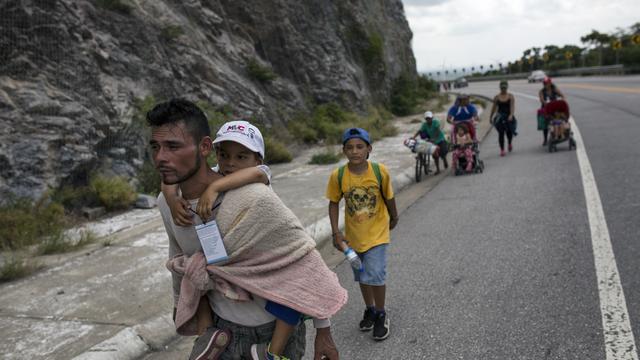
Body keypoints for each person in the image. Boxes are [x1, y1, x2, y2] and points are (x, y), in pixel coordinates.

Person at [148, 99, 345, 360]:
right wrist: (178, 304)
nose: (161, 157)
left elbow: (303, 264)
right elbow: (178, 257)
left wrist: (323, 331)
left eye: (173, 146)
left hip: (269, 329)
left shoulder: (256, 198)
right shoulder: (168, 203)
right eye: (155, 147)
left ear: (204, 147)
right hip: (221, 334)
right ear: (216, 152)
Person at [326, 128, 399, 342]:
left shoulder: (379, 171)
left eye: (359, 147)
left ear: (369, 149)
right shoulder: (338, 176)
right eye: (349, 147)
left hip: (377, 234)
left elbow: (389, 196)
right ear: (344, 151)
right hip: (353, 239)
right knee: (362, 277)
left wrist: (394, 217)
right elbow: (333, 203)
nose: (355, 151)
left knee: (375, 275)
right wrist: (336, 233)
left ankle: (382, 313)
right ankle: (370, 309)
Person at [489, 80, 516, 157]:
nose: (503, 89)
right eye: (502, 88)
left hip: (508, 117)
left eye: (504, 88)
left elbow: (512, 107)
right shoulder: (497, 97)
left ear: (507, 87)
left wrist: (511, 115)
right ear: (500, 88)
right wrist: (490, 117)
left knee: (509, 133)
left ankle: (509, 143)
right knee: (501, 133)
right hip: (500, 117)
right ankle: (502, 150)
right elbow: (493, 108)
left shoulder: (510, 96)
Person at [538, 77, 565, 146]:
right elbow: (542, 100)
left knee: (559, 121)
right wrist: (546, 103)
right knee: (545, 125)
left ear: (550, 83)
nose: (545, 84)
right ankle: (545, 139)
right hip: (546, 108)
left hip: (555, 108)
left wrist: (562, 100)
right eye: (544, 83)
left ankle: (560, 134)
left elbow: (562, 95)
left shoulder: (554, 89)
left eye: (546, 83)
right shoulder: (541, 91)